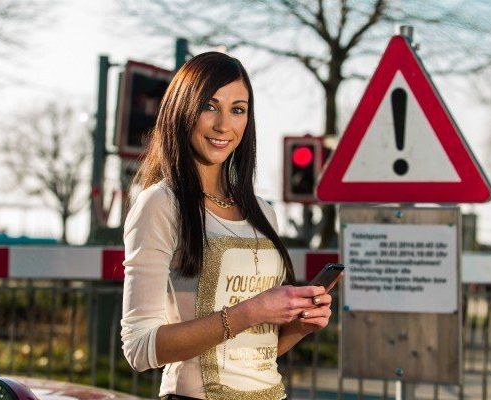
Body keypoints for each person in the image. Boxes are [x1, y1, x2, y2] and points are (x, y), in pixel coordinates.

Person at [120, 52, 335, 400]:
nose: (224, 124)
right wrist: (251, 311)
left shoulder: (263, 212)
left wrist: (298, 326)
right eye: (209, 106)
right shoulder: (160, 203)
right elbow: (140, 349)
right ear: (182, 112)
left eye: (238, 109)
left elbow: (254, 351)